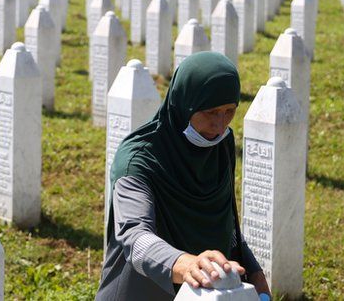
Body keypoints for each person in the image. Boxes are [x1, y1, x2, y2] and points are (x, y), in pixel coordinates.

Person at [97, 52, 271, 301]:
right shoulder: (138, 160)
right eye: (210, 112)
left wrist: (253, 271)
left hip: (207, 291)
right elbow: (135, 237)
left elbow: (225, 222)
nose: (220, 125)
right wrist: (185, 264)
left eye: (229, 111)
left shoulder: (219, 144)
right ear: (184, 104)